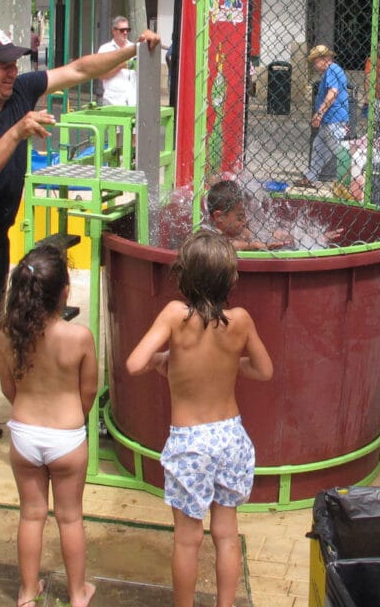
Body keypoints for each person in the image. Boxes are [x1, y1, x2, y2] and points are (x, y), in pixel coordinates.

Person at [0, 24, 161, 461]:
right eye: (3, 64)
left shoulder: (21, 92)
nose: (13, 71)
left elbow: (81, 69)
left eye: (15, 63)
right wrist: (16, 132)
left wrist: (133, 51)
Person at [125, 232, 274, 607]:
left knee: (187, 539)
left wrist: (164, 362)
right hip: (231, 436)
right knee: (226, 533)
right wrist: (228, 366)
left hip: (190, 442)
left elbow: (134, 363)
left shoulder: (175, 315)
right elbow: (264, 370)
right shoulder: (240, 321)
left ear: (183, 276)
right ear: (231, 280)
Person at [0, 245, 97, 607]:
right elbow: (89, 392)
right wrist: (74, 419)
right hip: (67, 437)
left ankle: (26, 592)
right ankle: (77, 594)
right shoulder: (79, 337)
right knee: (70, 519)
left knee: (31, 514)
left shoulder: (8, 333)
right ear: (65, 292)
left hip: (24, 433)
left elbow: (8, 387)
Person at [298, 44, 350, 186]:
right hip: (329, 120)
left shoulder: (332, 70)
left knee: (337, 150)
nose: (315, 65)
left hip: (334, 118)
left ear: (324, 59)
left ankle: (351, 181)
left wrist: (319, 113)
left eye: (316, 61)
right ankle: (310, 178)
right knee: (318, 147)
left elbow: (332, 93)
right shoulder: (332, 71)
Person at [203, 180, 290, 251]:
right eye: (240, 218)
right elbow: (228, 245)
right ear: (219, 217)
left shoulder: (240, 231)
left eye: (245, 216)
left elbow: (258, 236)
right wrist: (252, 246)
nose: (245, 221)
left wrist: (274, 236)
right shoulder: (213, 234)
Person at [97, 16, 138, 107]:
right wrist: (120, 66)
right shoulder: (105, 49)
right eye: (122, 30)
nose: (125, 33)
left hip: (132, 102)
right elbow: (101, 75)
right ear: (114, 31)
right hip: (112, 101)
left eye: (127, 30)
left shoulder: (134, 48)